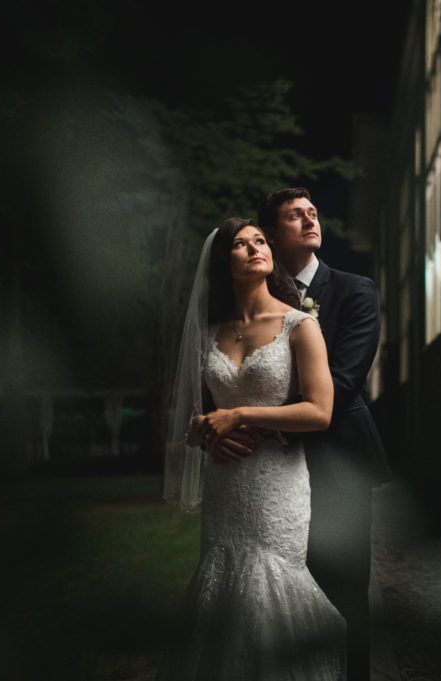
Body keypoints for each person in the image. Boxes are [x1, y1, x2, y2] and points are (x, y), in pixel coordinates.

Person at [160, 217, 346, 681]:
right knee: (221, 583)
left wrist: (239, 415)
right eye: (240, 245)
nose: (254, 249)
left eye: (260, 241)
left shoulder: (299, 325)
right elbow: (194, 419)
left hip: (277, 481)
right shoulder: (209, 334)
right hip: (226, 481)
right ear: (224, 262)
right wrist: (205, 435)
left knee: (270, 584)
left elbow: (320, 411)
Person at [253, 188, 390, 681]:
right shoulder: (255, 296)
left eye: (312, 212)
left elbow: (344, 379)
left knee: (345, 585)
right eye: (294, 215)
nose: (310, 219)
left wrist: (257, 420)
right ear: (270, 233)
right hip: (270, 466)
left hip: (340, 460)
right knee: (282, 582)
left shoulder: (355, 290)